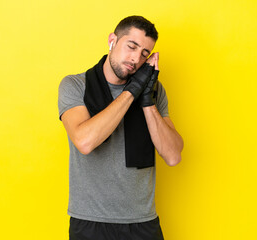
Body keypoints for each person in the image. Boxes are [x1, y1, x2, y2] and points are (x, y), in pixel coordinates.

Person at [58, 15, 183, 240]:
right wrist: (132, 91)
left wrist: (146, 101)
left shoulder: (154, 90)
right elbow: (85, 142)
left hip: (142, 223)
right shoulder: (75, 85)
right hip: (90, 222)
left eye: (145, 53)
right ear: (112, 40)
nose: (136, 59)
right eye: (131, 46)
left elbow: (173, 156)